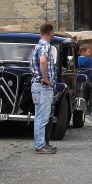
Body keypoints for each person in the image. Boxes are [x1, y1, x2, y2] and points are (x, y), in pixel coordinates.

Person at [30, 23, 57, 154]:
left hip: (37, 86)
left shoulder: (37, 46)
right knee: (42, 117)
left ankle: (41, 144)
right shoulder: (45, 46)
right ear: (50, 32)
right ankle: (40, 145)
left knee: (40, 116)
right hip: (43, 86)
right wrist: (46, 79)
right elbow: (42, 60)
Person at [76, 44, 92, 127]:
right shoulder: (88, 60)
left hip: (77, 80)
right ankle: (88, 110)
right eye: (88, 51)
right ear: (83, 52)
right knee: (88, 95)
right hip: (87, 80)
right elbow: (91, 72)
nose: (90, 52)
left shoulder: (77, 59)